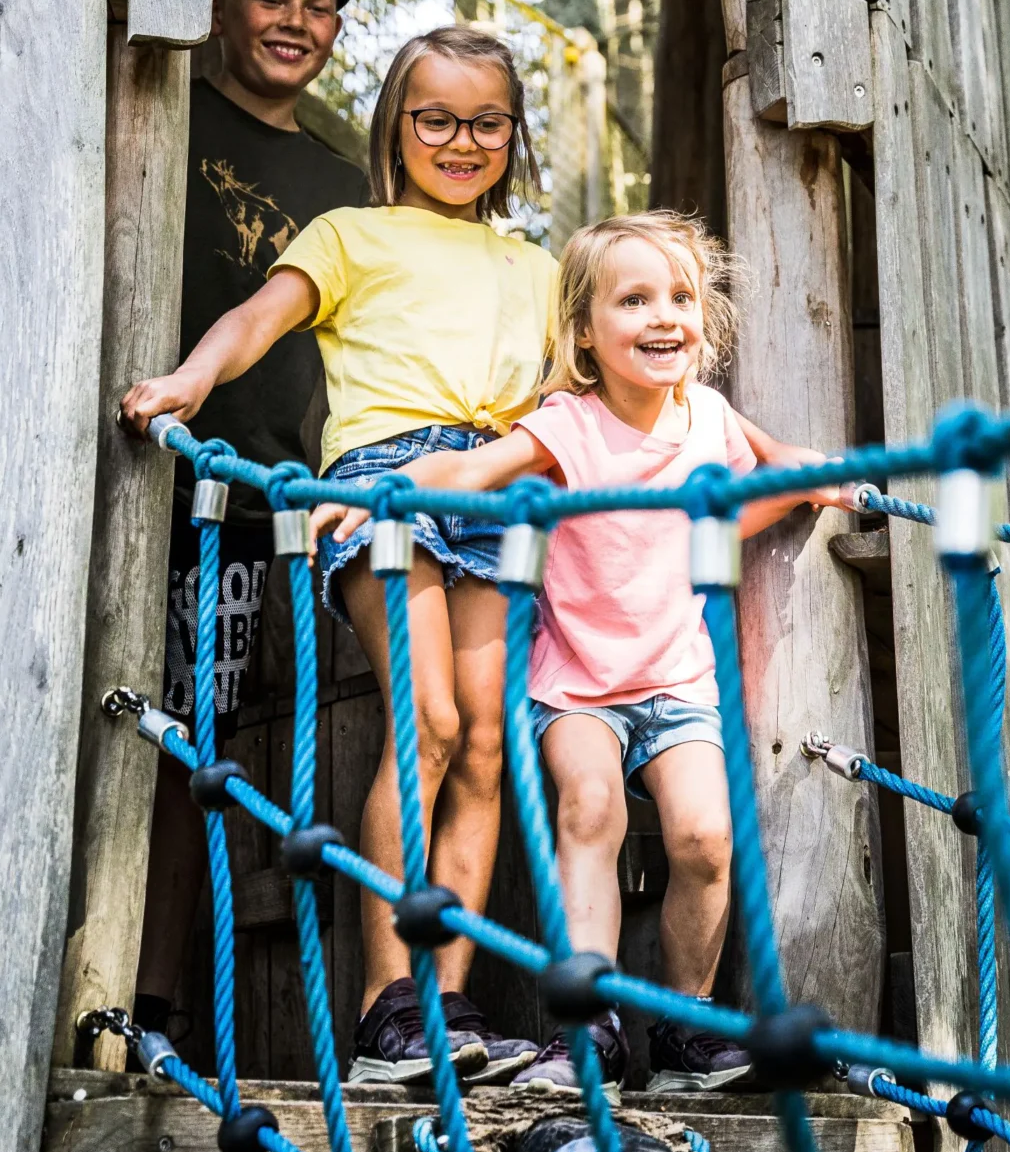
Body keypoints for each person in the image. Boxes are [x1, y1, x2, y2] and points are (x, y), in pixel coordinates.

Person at [314, 210, 850, 1095]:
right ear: (584, 334)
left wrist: (811, 476)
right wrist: (384, 492)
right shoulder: (569, 426)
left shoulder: (710, 418)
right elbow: (469, 474)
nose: (663, 316)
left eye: (681, 297)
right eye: (633, 300)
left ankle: (685, 1032)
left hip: (678, 680)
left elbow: (762, 477)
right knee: (591, 809)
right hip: (579, 688)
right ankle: (588, 1030)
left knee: (705, 839)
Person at [123, 25, 557, 1086]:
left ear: (515, 134)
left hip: (502, 482)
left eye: (486, 121)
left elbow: (570, 394)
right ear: (395, 129)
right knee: (433, 723)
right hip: (384, 480)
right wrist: (188, 380)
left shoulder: (539, 264)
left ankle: (446, 1004)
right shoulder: (351, 234)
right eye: (437, 119)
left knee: (492, 744)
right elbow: (261, 318)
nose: (462, 141)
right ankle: (384, 1006)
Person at [130, 0, 374, 1041]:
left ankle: (156, 1005)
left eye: (318, 7)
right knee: (138, 730)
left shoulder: (345, 183)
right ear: (221, 4)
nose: (295, 22)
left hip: (273, 507)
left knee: (204, 747)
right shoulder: (151, 114)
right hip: (138, 473)